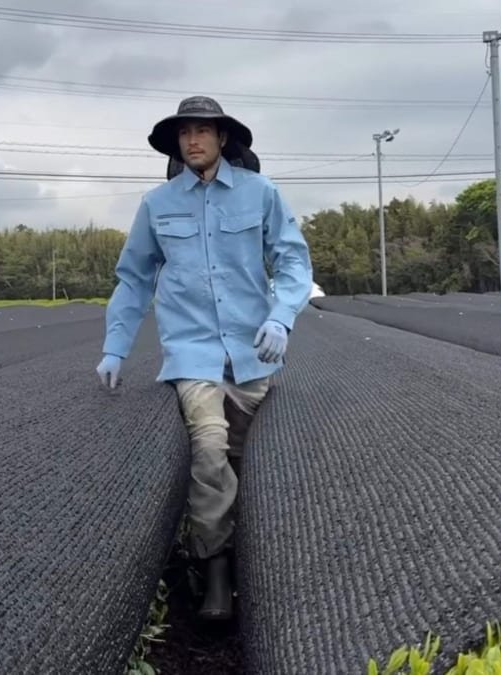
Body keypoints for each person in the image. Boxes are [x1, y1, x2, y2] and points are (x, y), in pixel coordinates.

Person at [95, 95, 314, 620]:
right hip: (192, 355)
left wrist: (281, 317)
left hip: (252, 355)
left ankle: (252, 555)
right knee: (210, 447)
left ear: (222, 139)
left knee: (251, 457)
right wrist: (114, 347)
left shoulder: (261, 194)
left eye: (202, 131)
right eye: (184, 133)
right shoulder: (157, 204)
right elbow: (134, 278)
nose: (192, 140)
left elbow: (292, 260)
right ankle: (214, 568)